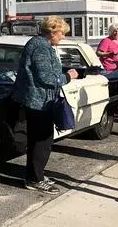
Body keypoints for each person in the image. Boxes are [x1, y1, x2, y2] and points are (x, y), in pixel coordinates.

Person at [13, 16, 79, 195]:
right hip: (39, 102)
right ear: (52, 31)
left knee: (38, 140)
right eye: (61, 33)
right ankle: (35, 179)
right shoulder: (41, 47)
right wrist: (68, 76)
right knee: (42, 141)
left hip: (37, 101)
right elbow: (47, 78)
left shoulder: (39, 44)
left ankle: (35, 175)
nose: (62, 37)